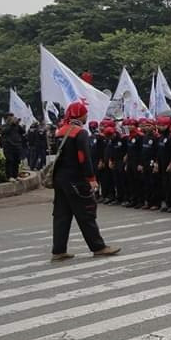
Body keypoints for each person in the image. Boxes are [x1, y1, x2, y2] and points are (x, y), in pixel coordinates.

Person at [50, 101, 120, 261]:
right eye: (85, 113)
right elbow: (83, 158)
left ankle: (58, 250)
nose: (87, 116)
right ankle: (98, 247)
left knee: (62, 215)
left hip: (60, 179)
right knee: (86, 213)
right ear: (79, 115)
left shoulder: (60, 131)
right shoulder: (80, 133)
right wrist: (91, 178)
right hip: (76, 179)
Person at [0, 114, 25, 180]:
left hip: (17, 146)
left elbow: (23, 131)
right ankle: (9, 176)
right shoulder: (3, 126)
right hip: (8, 147)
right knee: (10, 161)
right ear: (6, 119)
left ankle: (15, 176)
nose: (12, 119)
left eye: (13, 117)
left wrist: (18, 124)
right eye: (10, 118)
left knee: (16, 161)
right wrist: (11, 124)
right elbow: (4, 132)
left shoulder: (16, 126)